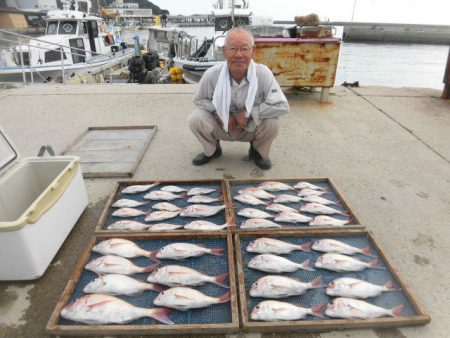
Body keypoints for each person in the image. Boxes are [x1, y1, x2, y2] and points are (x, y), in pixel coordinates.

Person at [188, 27, 289, 170]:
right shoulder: (212, 74)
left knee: (272, 123)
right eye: (233, 49)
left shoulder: (263, 74)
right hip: (223, 126)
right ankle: (212, 150)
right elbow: (199, 100)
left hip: (250, 127)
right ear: (224, 51)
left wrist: (250, 113)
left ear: (253, 51)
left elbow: (282, 106)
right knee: (196, 118)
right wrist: (219, 112)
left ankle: (257, 152)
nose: (239, 55)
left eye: (245, 49)